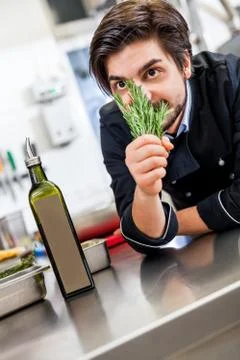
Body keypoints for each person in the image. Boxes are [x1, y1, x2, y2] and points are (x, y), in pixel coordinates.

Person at [89, 0, 240, 254]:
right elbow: (140, 237)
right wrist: (146, 193)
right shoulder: (116, 124)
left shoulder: (230, 80)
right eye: (122, 85)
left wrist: (166, 224)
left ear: (184, 64)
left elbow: (146, 228)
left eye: (151, 72)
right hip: (203, 252)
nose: (141, 98)